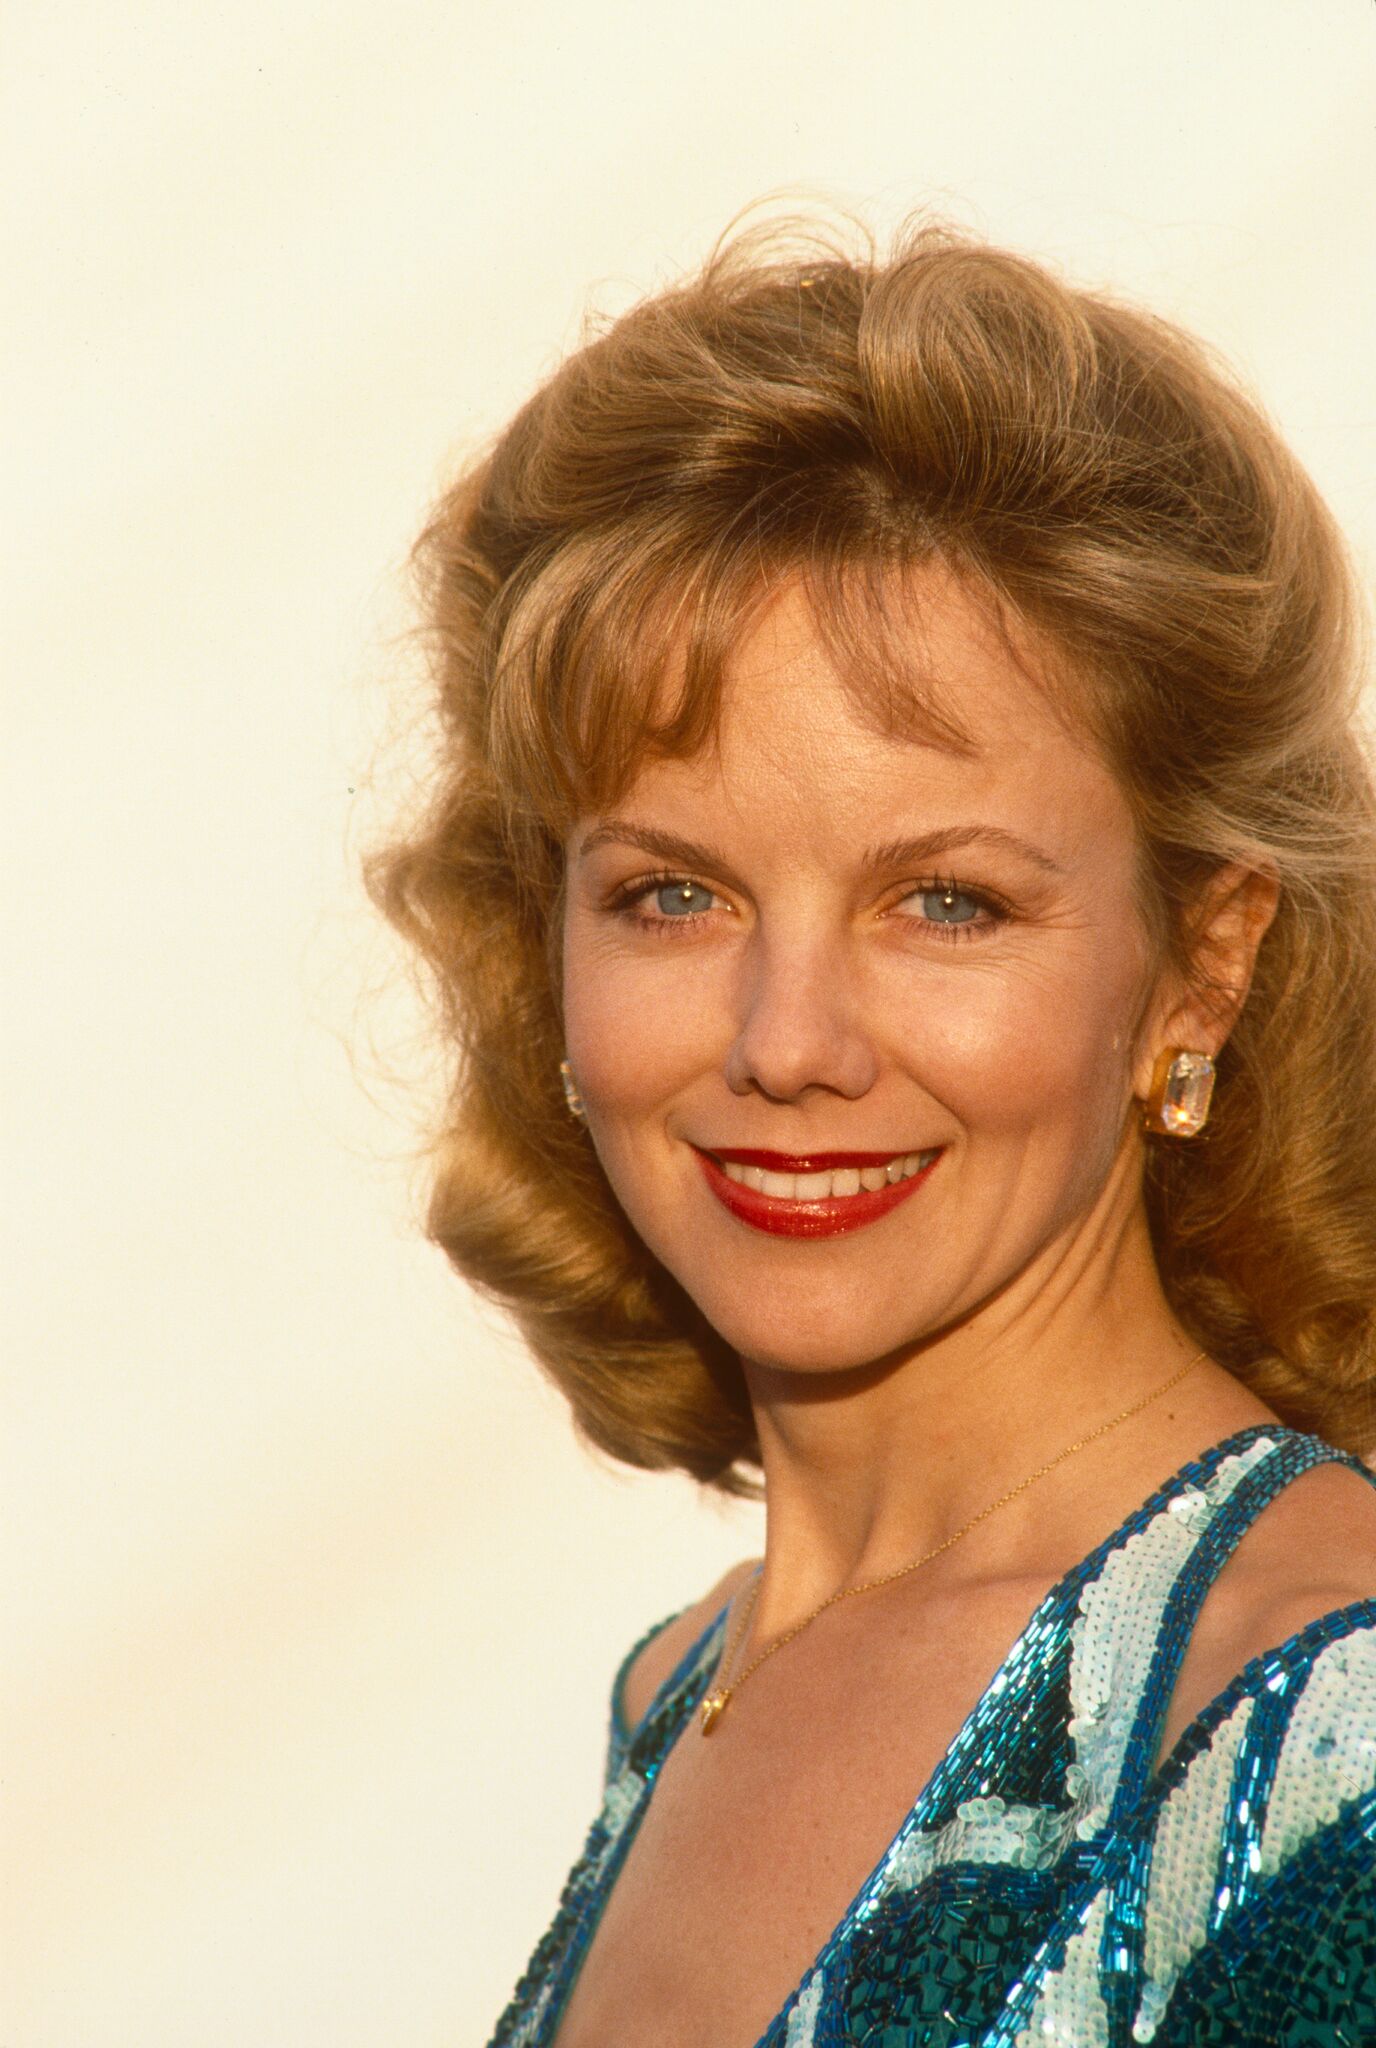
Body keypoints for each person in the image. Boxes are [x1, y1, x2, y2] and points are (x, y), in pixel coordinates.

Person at [367, 216, 1376, 2046]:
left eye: (948, 904)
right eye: (674, 897)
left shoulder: (1325, 1740)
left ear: (1203, 969)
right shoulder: (683, 1691)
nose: (788, 1044)